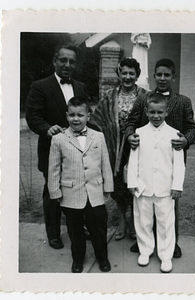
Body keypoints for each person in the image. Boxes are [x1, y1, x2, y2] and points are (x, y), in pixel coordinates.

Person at [125, 58, 195, 258]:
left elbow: (192, 127)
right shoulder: (143, 99)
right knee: (144, 206)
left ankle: (170, 245)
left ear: (173, 77)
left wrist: (185, 141)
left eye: (167, 75)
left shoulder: (183, 101)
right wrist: (130, 135)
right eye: (159, 74)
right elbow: (131, 122)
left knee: (168, 207)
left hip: (170, 158)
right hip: (146, 155)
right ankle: (144, 244)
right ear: (154, 76)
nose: (163, 78)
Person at [26, 43, 89, 249]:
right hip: (52, 149)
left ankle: (78, 228)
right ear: (55, 61)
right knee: (53, 191)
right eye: (63, 60)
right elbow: (33, 116)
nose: (67, 65)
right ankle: (53, 233)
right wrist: (47, 129)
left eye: (72, 61)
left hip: (77, 150)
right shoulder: (40, 86)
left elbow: (87, 117)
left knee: (78, 188)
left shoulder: (81, 87)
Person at [48, 96, 113, 273]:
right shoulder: (59, 139)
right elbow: (54, 168)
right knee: (75, 231)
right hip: (71, 194)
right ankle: (78, 259)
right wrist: (55, 191)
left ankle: (103, 258)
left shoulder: (98, 137)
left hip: (95, 192)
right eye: (72, 115)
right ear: (66, 116)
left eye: (80, 115)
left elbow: (105, 162)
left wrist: (108, 186)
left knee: (98, 228)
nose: (76, 119)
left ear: (88, 116)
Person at [89, 57, 147, 241]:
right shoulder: (109, 96)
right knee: (119, 187)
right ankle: (123, 221)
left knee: (136, 186)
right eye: (124, 73)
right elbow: (97, 120)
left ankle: (134, 223)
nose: (128, 76)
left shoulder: (145, 96)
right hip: (115, 149)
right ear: (119, 74)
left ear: (137, 75)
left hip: (138, 149)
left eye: (132, 73)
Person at [127, 93, 185, 273]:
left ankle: (165, 256)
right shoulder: (139, 133)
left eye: (160, 112)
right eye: (152, 112)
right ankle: (145, 250)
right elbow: (133, 159)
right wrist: (132, 181)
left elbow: (179, 163)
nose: (156, 116)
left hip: (165, 188)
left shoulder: (174, 134)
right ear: (146, 111)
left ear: (166, 112)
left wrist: (177, 186)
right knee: (143, 221)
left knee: (166, 222)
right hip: (143, 186)